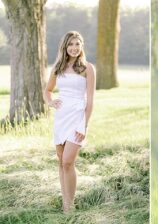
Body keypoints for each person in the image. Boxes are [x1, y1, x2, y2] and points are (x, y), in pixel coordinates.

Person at [43, 31, 95, 213]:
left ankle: (69, 208)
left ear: (82, 46)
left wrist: (84, 125)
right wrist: (50, 102)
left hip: (77, 118)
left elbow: (90, 101)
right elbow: (48, 90)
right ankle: (65, 203)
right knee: (61, 162)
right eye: (70, 44)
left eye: (77, 44)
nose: (74, 48)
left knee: (68, 162)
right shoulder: (58, 67)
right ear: (65, 47)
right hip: (61, 118)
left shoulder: (88, 68)